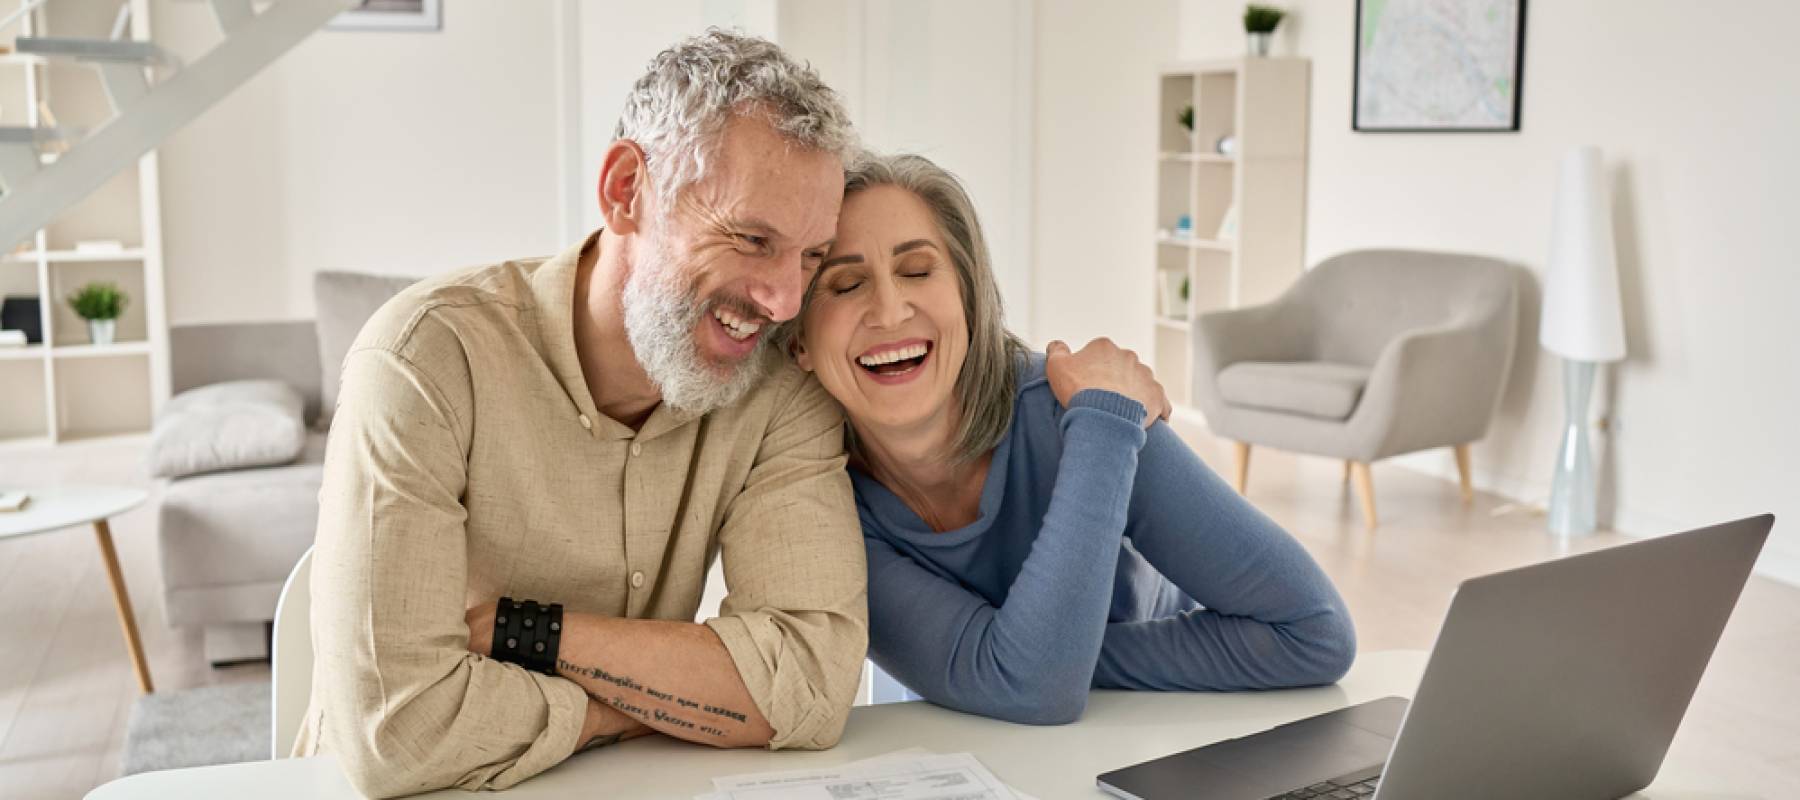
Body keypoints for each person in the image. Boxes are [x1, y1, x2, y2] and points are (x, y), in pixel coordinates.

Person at [297, 31, 868, 797]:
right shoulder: (425, 357)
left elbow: (811, 686)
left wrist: (525, 633)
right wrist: (657, 706)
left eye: (810, 256)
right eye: (751, 238)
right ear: (626, 190)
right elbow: (397, 732)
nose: (785, 300)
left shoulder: (780, 392)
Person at [780, 153, 1357, 725]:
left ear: (969, 300)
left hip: (1151, 732)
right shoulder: (817, 503)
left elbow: (1315, 632)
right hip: (969, 751)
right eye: (846, 284)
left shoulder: (1093, 413)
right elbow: (1031, 684)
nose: (888, 310)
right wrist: (1035, 660)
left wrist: (1041, 658)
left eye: (917, 271)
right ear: (799, 340)